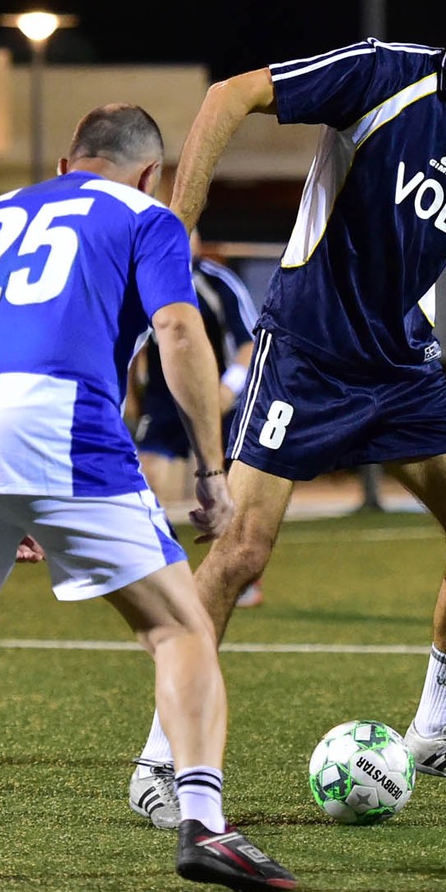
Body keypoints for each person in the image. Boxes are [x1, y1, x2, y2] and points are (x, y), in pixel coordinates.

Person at [127, 0, 446, 830]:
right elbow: (231, 96)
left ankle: (437, 726)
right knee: (241, 551)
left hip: (402, 365)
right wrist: (181, 215)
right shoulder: (382, 74)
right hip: (310, 354)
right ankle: (159, 759)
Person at [0, 103, 296, 892]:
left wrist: (7, 501)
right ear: (149, 174)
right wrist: (210, 468)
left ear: (65, 166)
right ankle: (205, 821)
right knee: (181, 626)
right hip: (52, 410)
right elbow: (177, 329)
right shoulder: (150, 217)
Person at [133, 233, 269, 618]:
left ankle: (238, 574)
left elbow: (248, 342)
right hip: (164, 400)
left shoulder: (216, 281)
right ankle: (166, 576)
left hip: (216, 397)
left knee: (228, 485)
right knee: (146, 477)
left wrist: (227, 391)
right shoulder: (145, 279)